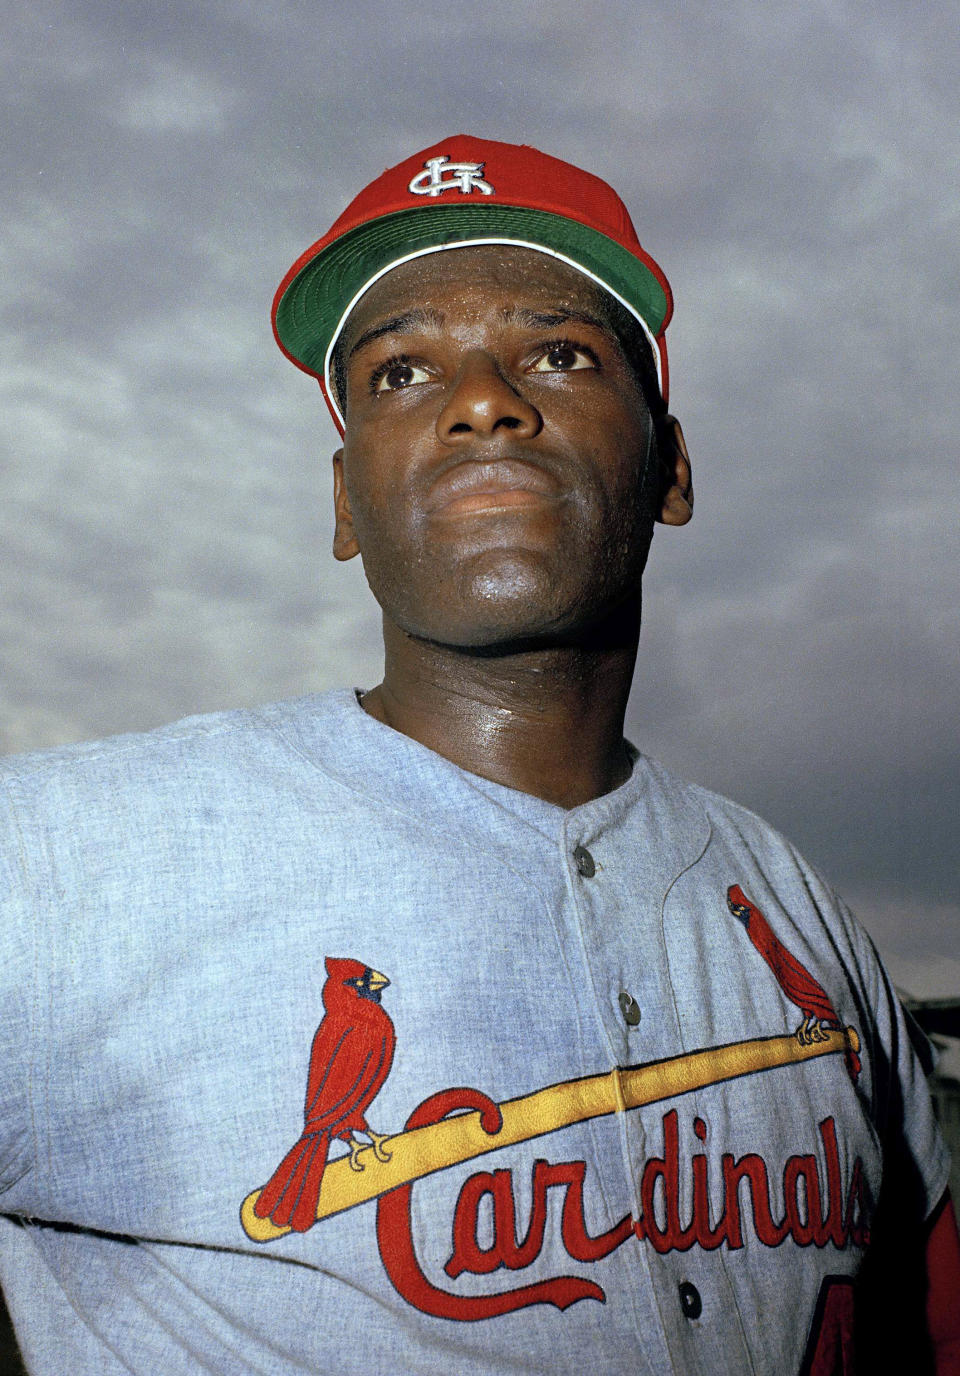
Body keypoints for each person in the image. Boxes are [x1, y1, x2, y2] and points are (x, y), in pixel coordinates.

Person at [0, 135, 957, 1375]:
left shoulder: (800, 913)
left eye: (560, 352)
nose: (483, 398)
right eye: (401, 372)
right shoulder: (57, 859)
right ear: (345, 504)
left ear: (670, 466)